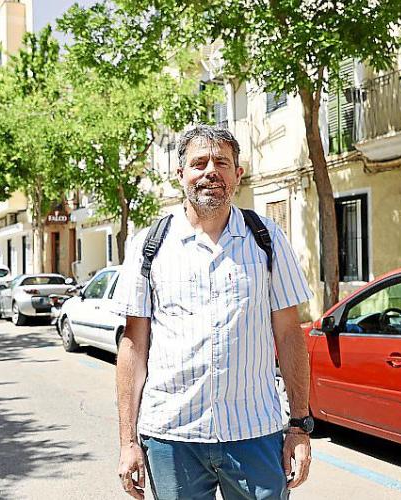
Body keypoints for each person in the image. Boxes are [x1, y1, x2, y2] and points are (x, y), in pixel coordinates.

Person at [112, 124, 314, 500]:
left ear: (238, 174)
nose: (210, 171)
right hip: (172, 437)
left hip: (255, 432)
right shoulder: (149, 245)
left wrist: (299, 427)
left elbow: (289, 335)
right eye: (199, 163)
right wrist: (128, 442)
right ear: (180, 174)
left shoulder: (267, 240)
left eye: (221, 162)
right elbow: (134, 346)